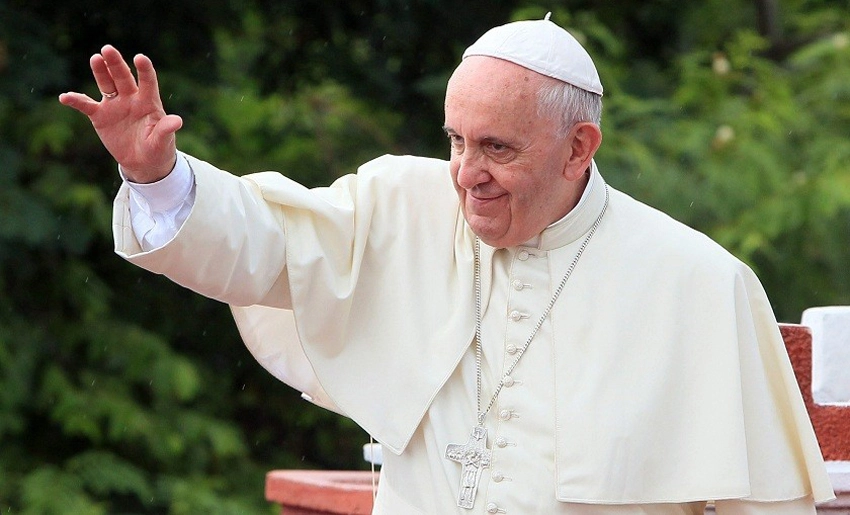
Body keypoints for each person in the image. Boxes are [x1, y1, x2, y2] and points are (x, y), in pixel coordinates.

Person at [59, 14, 835, 515]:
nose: (465, 172)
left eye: (497, 147)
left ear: (578, 149)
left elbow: (760, 503)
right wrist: (154, 176)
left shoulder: (698, 281)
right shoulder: (401, 202)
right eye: (456, 140)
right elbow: (260, 242)